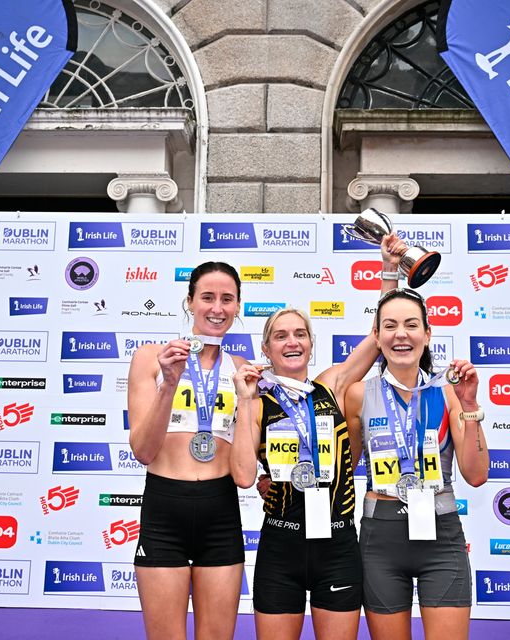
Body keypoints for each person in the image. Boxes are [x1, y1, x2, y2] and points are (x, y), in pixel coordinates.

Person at [231, 234, 406, 640]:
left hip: (338, 543)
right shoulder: (257, 403)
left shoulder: (332, 385)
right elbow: (242, 476)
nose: (291, 341)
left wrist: (389, 272)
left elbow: (379, 336)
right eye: (280, 336)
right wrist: (243, 401)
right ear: (266, 348)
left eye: (300, 334)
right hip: (281, 542)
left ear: (311, 345)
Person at [344, 288, 489, 640]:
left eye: (411, 324)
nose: (401, 334)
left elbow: (476, 474)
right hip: (381, 541)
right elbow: (343, 469)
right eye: (390, 326)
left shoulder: (449, 392)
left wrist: (470, 406)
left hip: (441, 536)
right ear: (376, 336)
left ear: (427, 333)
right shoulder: (359, 394)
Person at [127, 261, 248, 640]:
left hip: (220, 513)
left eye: (227, 299)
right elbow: (143, 451)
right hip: (165, 510)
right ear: (190, 302)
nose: (217, 308)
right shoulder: (152, 358)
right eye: (207, 297)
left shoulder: (243, 370)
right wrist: (170, 383)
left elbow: (247, 464)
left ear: (238, 306)